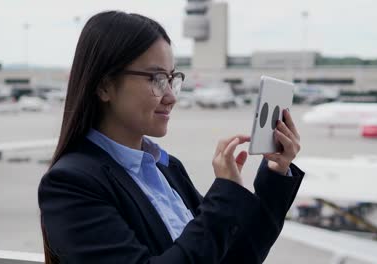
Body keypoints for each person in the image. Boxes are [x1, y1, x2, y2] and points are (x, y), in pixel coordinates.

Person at [38, 10, 304, 264]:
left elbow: (235, 258)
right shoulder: (70, 184)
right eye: (156, 78)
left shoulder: (167, 167)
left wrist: (275, 173)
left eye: (172, 78)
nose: (171, 96)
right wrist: (224, 197)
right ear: (104, 85)